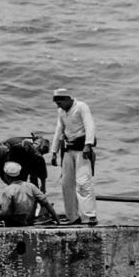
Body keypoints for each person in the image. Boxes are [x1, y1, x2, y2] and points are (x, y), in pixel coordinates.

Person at [47, 88, 97, 225]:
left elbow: (89, 125)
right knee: (66, 184)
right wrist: (54, 151)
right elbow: (59, 130)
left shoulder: (81, 107)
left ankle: (90, 216)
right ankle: (73, 217)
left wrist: (88, 144)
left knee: (83, 182)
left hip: (82, 149)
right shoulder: (61, 112)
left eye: (60, 102)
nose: (58, 106)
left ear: (67, 99)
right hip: (68, 150)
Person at [0, 161, 61, 227]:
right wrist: (57, 220)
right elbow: (46, 203)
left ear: (6, 176)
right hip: (29, 221)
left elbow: (4, 212)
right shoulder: (31, 186)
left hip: (15, 223)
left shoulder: (8, 190)